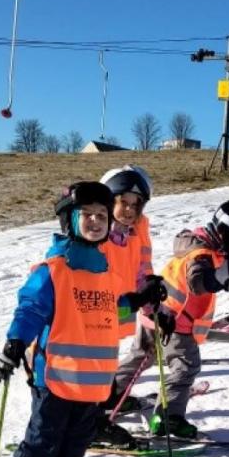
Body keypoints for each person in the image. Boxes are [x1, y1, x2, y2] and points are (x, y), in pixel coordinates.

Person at [0, 182, 168, 457]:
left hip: (94, 382)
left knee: (76, 442)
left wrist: (141, 300)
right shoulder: (54, 270)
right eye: (86, 214)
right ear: (68, 220)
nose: (95, 221)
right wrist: (15, 344)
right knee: (44, 438)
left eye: (102, 215)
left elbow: (114, 308)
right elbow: (30, 309)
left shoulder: (105, 272)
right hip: (57, 376)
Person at [105, 200, 229, 440]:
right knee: (185, 368)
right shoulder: (202, 255)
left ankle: (110, 395)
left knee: (141, 358)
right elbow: (198, 283)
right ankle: (168, 419)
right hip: (176, 324)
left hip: (155, 313)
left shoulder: (195, 241)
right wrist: (223, 272)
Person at [95, 165, 155, 441]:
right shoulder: (96, 232)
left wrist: (151, 299)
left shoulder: (134, 231)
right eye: (123, 202)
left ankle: (99, 412)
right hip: (92, 316)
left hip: (116, 313)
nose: (129, 210)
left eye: (136, 204)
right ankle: (89, 426)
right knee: (90, 371)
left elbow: (142, 267)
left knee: (106, 365)